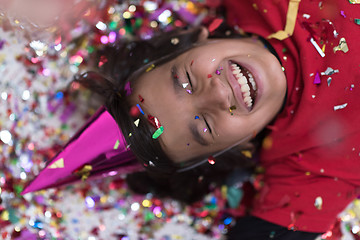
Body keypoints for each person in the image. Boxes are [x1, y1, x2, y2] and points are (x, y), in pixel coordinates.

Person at [23, 0, 360, 239]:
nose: (216, 95)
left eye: (183, 80)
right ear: (236, 147)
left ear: (197, 39)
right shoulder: (308, 169)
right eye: (204, 127)